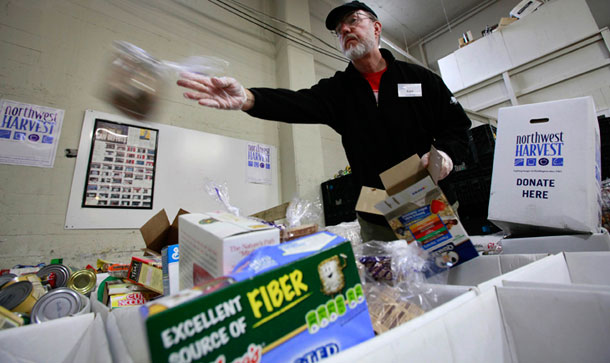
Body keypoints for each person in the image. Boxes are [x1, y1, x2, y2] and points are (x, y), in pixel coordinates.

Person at [177, 1, 471, 242]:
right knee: (395, 299)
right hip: (377, 216)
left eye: (353, 20)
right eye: (339, 29)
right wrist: (248, 98)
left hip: (430, 202)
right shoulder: (339, 91)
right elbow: (296, 103)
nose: (344, 29)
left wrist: (444, 155)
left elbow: (457, 126)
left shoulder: (419, 79)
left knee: (449, 280)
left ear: (376, 28)